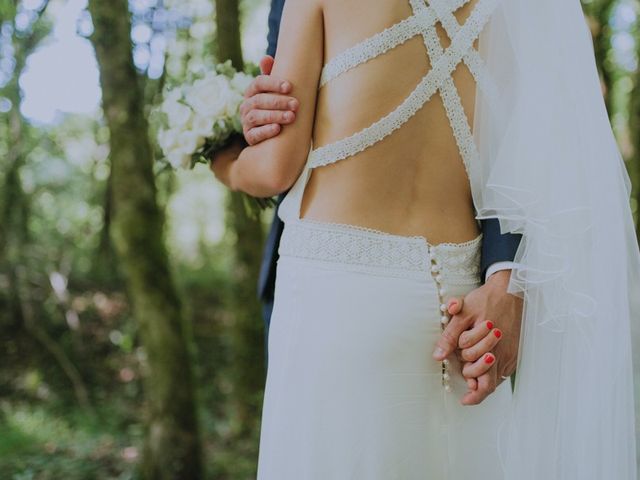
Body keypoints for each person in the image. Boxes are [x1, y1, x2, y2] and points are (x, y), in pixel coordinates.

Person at [211, 0, 640, 478]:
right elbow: (543, 162)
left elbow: (274, 168)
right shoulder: (521, 12)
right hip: (462, 314)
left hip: (336, 293)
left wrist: (223, 160)